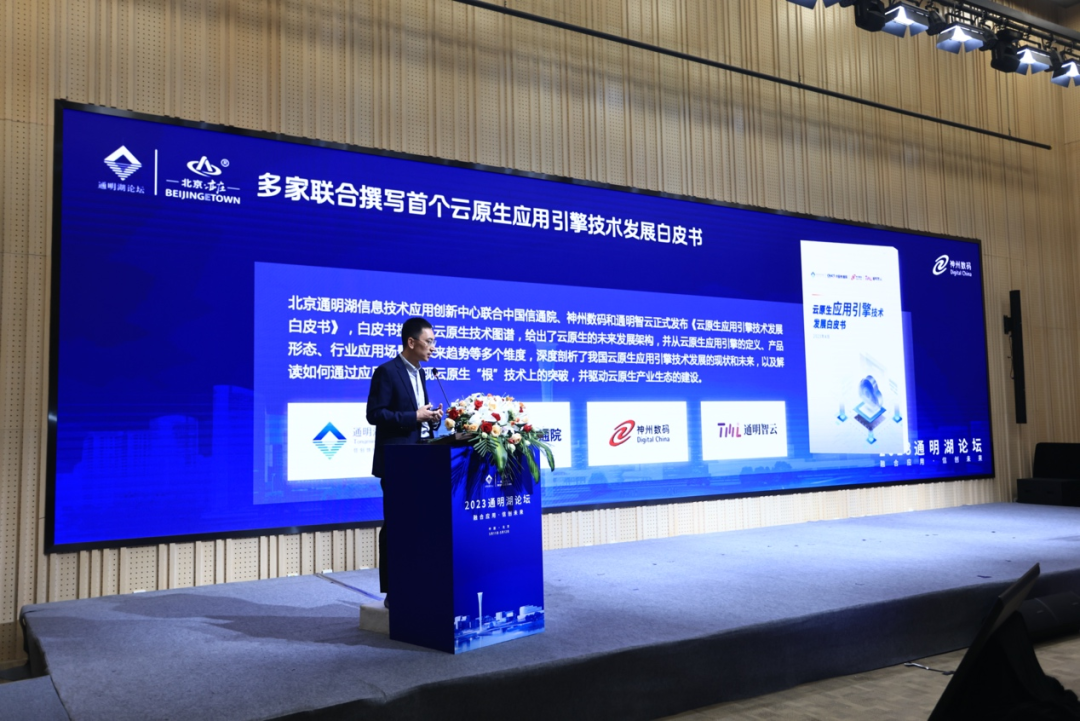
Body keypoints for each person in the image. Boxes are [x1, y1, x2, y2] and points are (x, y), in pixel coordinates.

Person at [366, 317, 443, 608]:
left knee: (420, 524)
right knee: (396, 526)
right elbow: (375, 414)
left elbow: (417, 415)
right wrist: (414, 416)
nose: (433, 347)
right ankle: (393, 591)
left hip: (422, 457)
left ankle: (416, 582)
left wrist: (430, 418)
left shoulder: (421, 374)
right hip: (398, 462)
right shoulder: (387, 372)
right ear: (411, 342)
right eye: (429, 341)